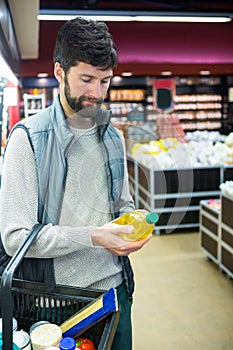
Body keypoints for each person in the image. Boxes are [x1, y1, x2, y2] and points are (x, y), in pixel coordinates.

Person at [0, 17, 151, 349]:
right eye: (86, 79)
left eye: (105, 81)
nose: (96, 93)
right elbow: (15, 239)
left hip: (114, 293)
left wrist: (130, 224)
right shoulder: (28, 140)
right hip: (58, 305)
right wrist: (95, 236)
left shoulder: (112, 137)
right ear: (59, 72)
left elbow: (121, 204)